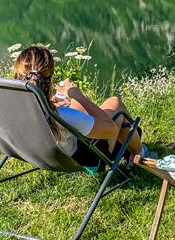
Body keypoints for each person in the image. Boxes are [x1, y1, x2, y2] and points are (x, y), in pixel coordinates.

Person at [11, 45, 148, 167]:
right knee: (115, 103)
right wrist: (78, 96)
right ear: (48, 78)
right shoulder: (63, 116)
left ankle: (132, 150)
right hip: (87, 159)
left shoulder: (11, 108)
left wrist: (53, 103)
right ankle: (139, 153)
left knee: (74, 104)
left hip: (41, 154)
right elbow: (111, 129)